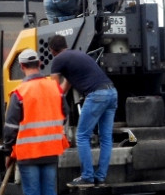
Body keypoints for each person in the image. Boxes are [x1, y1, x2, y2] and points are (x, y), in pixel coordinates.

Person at [2, 48, 69, 195]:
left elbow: (11, 127)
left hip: (28, 153)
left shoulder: (21, 93)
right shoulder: (55, 88)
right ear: (40, 64)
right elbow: (64, 115)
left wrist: (8, 151)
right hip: (51, 150)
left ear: (21, 67)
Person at [48, 34, 117, 187]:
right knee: (106, 138)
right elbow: (63, 89)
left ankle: (87, 177)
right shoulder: (78, 55)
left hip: (97, 95)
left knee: (82, 136)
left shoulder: (58, 60)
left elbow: (54, 90)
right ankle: (101, 177)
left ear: (52, 50)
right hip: (112, 93)